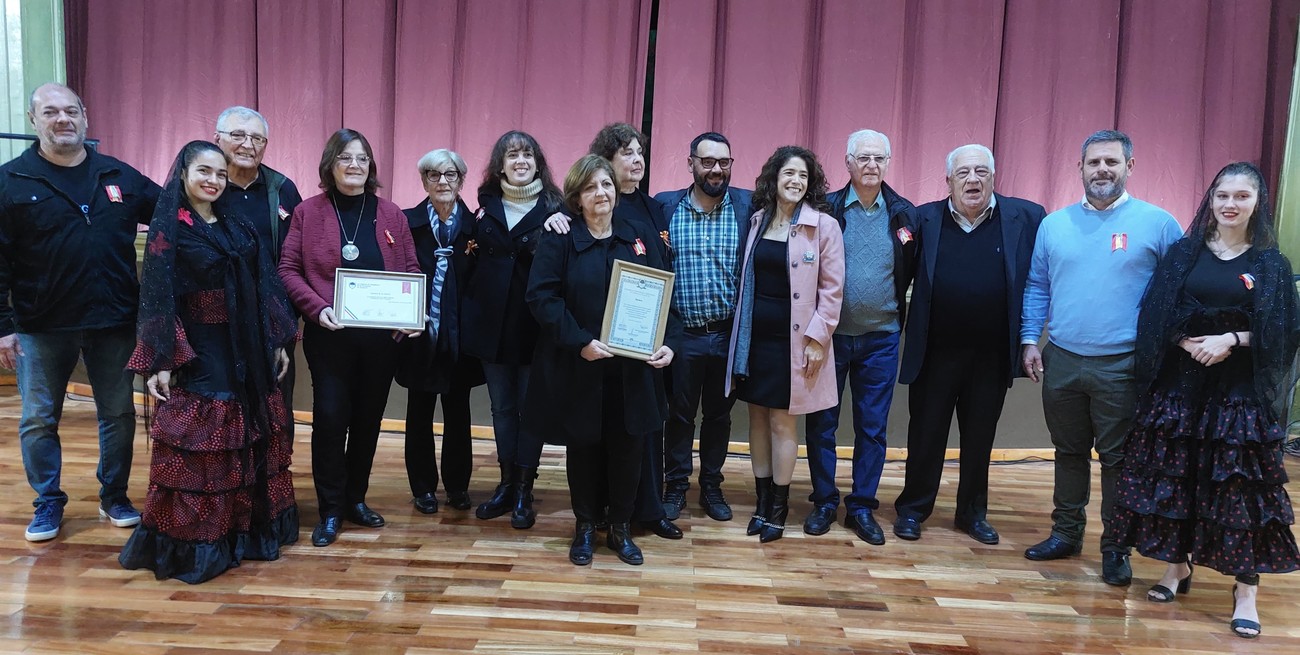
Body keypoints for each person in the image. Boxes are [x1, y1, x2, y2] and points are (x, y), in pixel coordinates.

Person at [1111, 162, 1299, 639]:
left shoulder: (1271, 264)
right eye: (1222, 195)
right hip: (1182, 388)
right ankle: (1177, 567)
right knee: (1180, 477)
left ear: (1257, 203)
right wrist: (1183, 340)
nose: (1230, 204)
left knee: (1241, 492)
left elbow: (1282, 332)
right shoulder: (1183, 253)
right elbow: (1156, 312)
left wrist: (1232, 339)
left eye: (1241, 196)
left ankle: (1246, 591)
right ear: (1210, 200)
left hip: (1238, 397)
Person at [118, 140, 297, 583]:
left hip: (248, 347)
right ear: (183, 173)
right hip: (201, 348)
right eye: (204, 171)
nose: (213, 180)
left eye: (220, 173)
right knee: (208, 439)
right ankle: (201, 542)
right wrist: (163, 358)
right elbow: (158, 296)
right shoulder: (169, 230)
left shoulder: (237, 225)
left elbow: (266, 284)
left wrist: (276, 340)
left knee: (252, 432)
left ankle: (245, 531)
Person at [1019, 130, 1182, 586]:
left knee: (1117, 460)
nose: (1102, 170)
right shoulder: (1054, 225)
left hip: (1123, 365)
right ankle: (1066, 534)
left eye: (1111, 161)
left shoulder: (1159, 224)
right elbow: (1037, 286)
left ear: (1130, 166)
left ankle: (1115, 548)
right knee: (1068, 452)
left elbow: (1179, 294)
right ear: (1080, 168)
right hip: (1062, 359)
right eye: (1093, 162)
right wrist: (1030, 339)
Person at [0, 82, 160, 542]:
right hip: (40, 325)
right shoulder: (11, 181)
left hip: (114, 321)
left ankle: (114, 496)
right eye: (51, 112)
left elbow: (172, 211)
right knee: (38, 419)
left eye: (71, 111)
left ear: (85, 117)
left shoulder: (118, 174)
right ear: (34, 120)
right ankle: (48, 502)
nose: (62, 119)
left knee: (119, 414)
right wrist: (2, 327)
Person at [525, 154, 678, 566]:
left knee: (629, 450)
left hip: (633, 370)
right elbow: (541, 297)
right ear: (577, 197)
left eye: (606, 184)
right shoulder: (560, 237)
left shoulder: (638, 235)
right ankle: (586, 527)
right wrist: (580, 342)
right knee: (585, 450)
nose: (601, 193)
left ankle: (621, 530)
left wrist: (669, 343)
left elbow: (665, 295)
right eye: (590, 187)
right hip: (582, 365)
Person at [892, 144, 1044, 545]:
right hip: (935, 353)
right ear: (948, 181)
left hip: (990, 356)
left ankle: (972, 514)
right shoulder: (922, 219)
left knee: (980, 439)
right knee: (925, 437)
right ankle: (913, 509)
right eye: (963, 173)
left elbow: (1040, 281)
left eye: (981, 171)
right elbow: (899, 276)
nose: (972, 180)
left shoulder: (1027, 217)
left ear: (994, 176)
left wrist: (1030, 337)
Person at [278, 129, 421, 547]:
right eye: (345, 158)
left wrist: (412, 313)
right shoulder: (307, 212)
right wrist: (316, 308)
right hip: (330, 338)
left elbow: (411, 269)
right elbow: (288, 269)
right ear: (330, 165)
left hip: (382, 342)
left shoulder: (391, 214)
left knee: (367, 421)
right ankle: (330, 508)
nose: (354, 165)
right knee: (330, 419)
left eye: (362, 158)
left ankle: (355, 499)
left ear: (370, 166)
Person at [802, 129, 917, 544]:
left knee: (872, 428)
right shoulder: (826, 209)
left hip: (881, 339)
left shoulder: (904, 215)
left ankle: (862, 507)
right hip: (829, 338)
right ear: (848, 163)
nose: (872, 165)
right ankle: (824, 501)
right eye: (863, 158)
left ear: (888, 163)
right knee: (822, 424)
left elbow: (912, 269)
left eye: (879, 158)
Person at [725, 145, 844, 543]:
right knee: (757, 417)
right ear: (774, 178)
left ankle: (778, 508)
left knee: (782, 421)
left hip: (794, 343)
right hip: (755, 339)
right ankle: (761, 504)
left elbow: (832, 291)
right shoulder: (757, 220)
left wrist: (817, 339)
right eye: (789, 173)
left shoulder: (823, 226)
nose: (795, 181)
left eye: (803, 176)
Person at [460, 131, 563, 529]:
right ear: (500, 165)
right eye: (512, 155)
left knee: (529, 411)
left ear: (538, 163)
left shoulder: (557, 210)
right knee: (502, 409)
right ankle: (505, 483)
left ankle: (524, 488)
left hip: (535, 330)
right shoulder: (483, 208)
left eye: (527, 155)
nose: (520, 161)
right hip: (492, 329)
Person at [656, 132, 753, 523]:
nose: (716, 169)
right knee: (679, 416)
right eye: (708, 161)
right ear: (691, 163)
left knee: (719, 416)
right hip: (683, 336)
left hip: (728, 335)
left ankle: (711, 485)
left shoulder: (748, 207)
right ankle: (676, 485)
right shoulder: (665, 207)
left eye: (723, 162)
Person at [395, 149, 483, 514]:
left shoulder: (478, 226)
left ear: (462, 181)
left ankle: (458, 486)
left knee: (458, 412)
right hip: (419, 334)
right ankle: (423, 488)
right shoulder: (406, 222)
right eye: (434, 175)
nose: (442, 182)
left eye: (450, 175)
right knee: (419, 412)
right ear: (423, 181)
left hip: (461, 335)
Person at [212, 106, 303, 418]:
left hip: (272, 321)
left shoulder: (282, 189)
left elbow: (297, 257)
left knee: (275, 411)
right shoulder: (203, 186)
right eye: (238, 135)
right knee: (222, 412)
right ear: (217, 139)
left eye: (257, 138)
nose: (248, 144)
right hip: (215, 323)